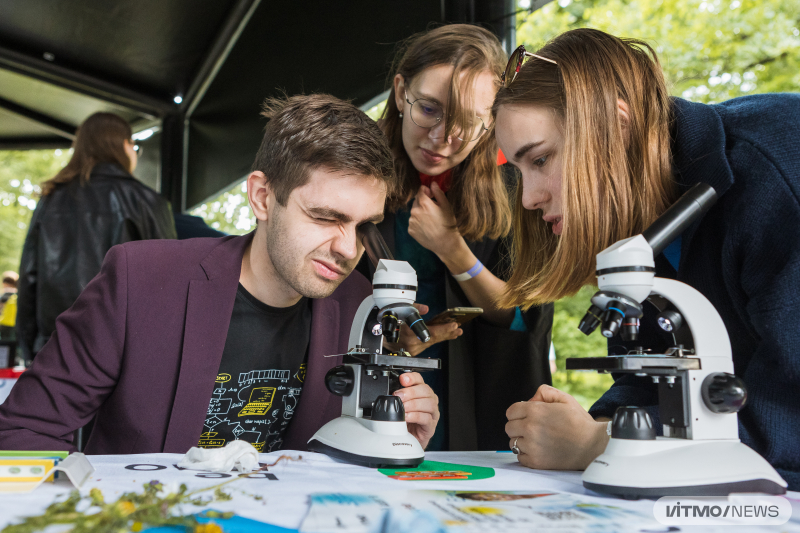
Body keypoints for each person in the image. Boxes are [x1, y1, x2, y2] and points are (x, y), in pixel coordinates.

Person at [0, 94, 440, 454]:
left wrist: (390, 442)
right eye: (326, 217)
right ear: (263, 197)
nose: (349, 249)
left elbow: (330, 464)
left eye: (364, 226)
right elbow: (23, 433)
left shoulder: (357, 305)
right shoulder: (139, 281)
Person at [492, 28, 800, 489]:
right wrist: (586, 425)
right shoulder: (636, 218)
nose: (530, 198)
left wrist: (597, 445)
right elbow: (650, 379)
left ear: (618, 126)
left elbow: (788, 423)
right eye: (518, 171)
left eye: (540, 160)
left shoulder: (772, 175)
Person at [359, 24, 553, 452]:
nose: (442, 139)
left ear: (492, 123)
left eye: (467, 123)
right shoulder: (351, 177)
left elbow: (524, 318)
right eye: (429, 109)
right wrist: (392, 341)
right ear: (399, 91)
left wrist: (452, 248)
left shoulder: (517, 189)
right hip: (373, 391)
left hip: (476, 393)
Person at [16, 113, 177, 362]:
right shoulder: (148, 202)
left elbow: (29, 276)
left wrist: (28, 349)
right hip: (125, 353)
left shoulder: (51, 199)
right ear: (124, 145)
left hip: (56, 349)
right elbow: (170, 283)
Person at [0, 271, 18, 341]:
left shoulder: (6, 293)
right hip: (16, 324)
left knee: (5, 345)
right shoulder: (19, 294)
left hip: (5, 323)